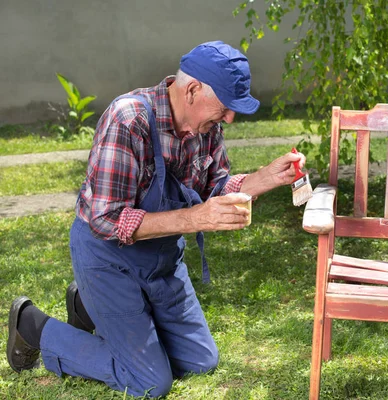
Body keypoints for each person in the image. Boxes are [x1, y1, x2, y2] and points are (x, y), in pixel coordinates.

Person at [6, 40, 307, 398]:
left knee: (201, 362)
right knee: (150, 382)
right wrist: (195, 218)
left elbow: (217, 187)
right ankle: (35, 327)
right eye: (225, 106)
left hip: (161, 260)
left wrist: (265, 178)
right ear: (192, 90)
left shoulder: (205, 130)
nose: (229, 118)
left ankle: (89, 307)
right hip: (108, 259)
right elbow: (106, 219)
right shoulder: (128, 119)